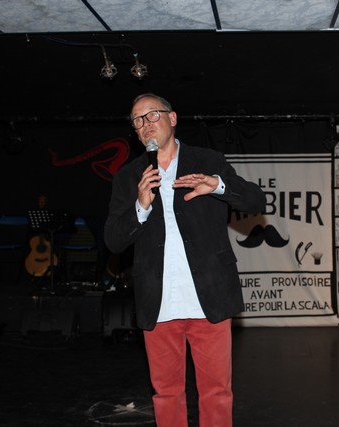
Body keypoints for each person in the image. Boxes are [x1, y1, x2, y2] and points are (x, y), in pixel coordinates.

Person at [104, 93, 265, 427]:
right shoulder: (129, 177)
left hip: (208, 297)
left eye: (152, 115)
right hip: (158, 302)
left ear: (173, 118)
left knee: (216, 393)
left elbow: (256, 200)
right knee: (166, 394)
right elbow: (113, 241)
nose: (145, 124)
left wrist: (218, 186)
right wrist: (140, 206)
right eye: (137, 120)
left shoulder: (208, 160)